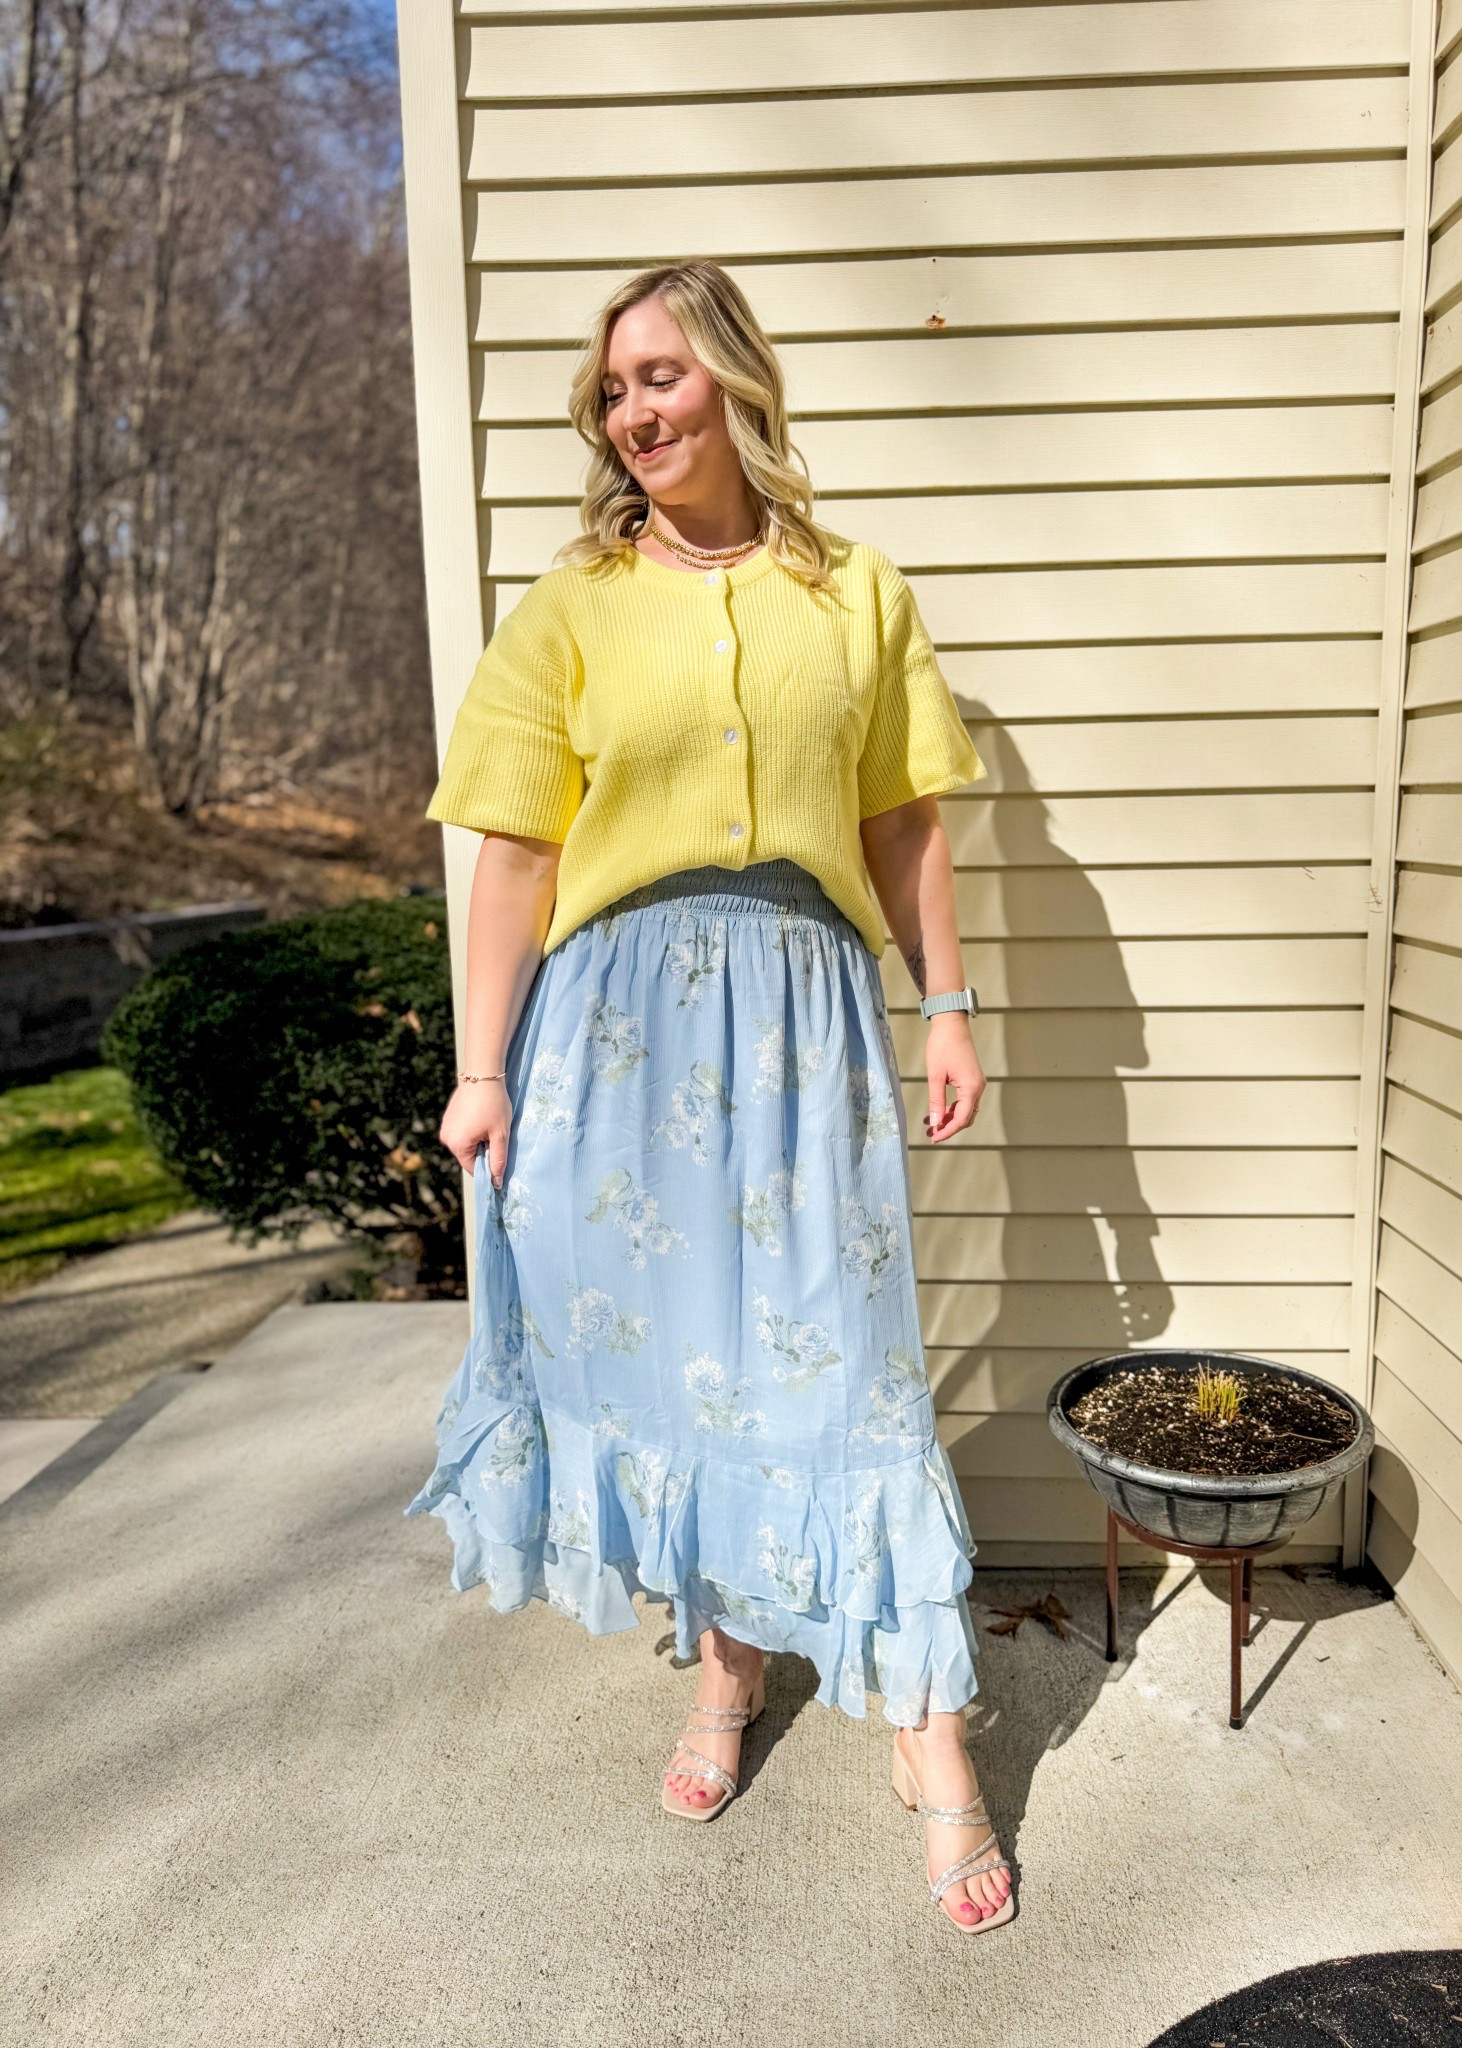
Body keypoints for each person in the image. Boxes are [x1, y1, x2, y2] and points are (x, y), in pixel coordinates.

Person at [404, 259, 1012, 1933]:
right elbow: (514, 856)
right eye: (612, 392)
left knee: (851, 1367)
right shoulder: (574, 604)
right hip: (614, 1037)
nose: (635, 413)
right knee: (694, 1370)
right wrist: (479, 1073)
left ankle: (930, 1738)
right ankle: (725, 1677)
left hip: (809, 1015)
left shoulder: (858, 593)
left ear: (736, 379)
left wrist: (945, 1008)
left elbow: (904, 824)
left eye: (660, 376)